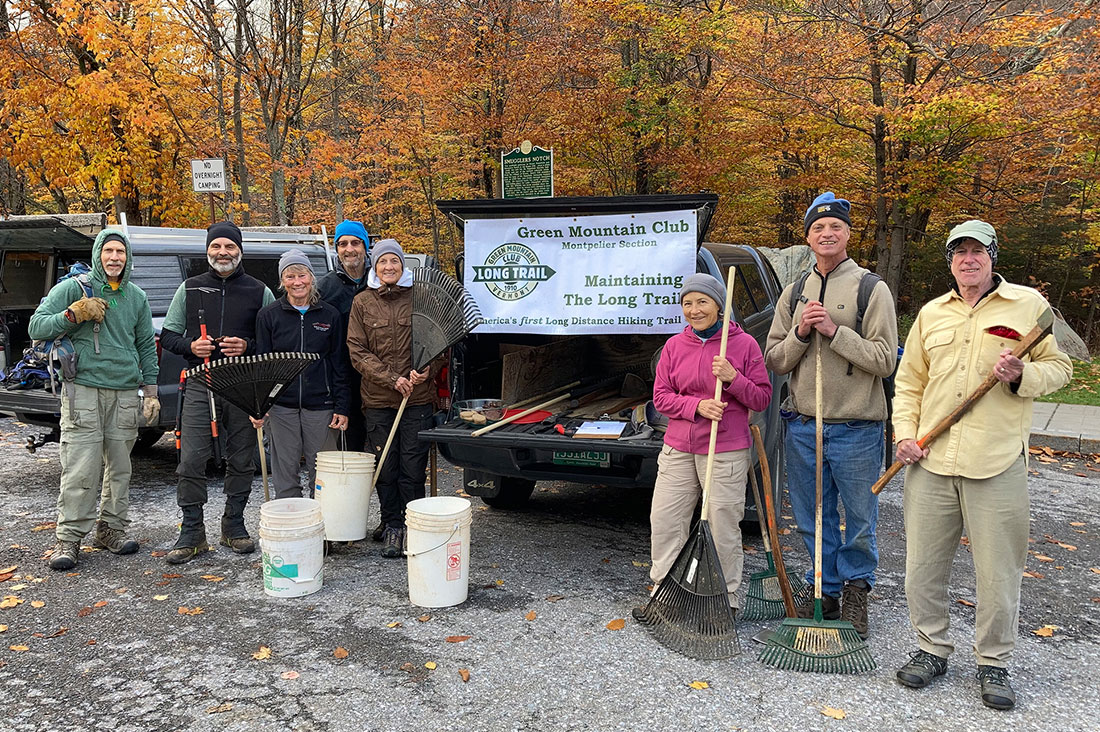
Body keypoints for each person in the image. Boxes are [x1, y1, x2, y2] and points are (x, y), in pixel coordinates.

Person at [891, 220, 1071, 710]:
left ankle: (993, 660)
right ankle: (931, 648)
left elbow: (1061, 368)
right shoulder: (931, 313)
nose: (968, 260)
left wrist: (1022, 374)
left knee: (998, 570)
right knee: (922, 566)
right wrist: (904, 435)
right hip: (930, 458)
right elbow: (909, 383)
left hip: (996, 459)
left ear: (993, 256)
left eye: (977, 251)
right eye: (959, 252)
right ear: (950, 261)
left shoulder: (1029, 307)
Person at [764, 192, 898, 639]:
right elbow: (777, 359)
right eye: (818, 228)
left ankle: (857, 592)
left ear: (847, 234)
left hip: (856, 426)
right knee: (810, 516)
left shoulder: (870, 288)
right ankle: (824, 589)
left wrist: (834, 332)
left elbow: (884, 360)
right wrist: (802, 331)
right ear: (807, 237)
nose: (827, 234)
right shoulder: (793, 291)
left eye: (835, 227)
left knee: (860, 518)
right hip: (804, 425)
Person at [632, 274, 772, 621]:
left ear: (719, 305)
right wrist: (696, 407)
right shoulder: (674, 347)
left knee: (723, 523)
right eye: (688, 303)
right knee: (666, 520)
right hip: (679, 445)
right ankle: (665, 592)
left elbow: (762, 397)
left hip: (724, 448)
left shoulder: (742, 346)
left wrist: (733, 379)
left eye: (702, 302)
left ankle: (726, 600)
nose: (694, 310)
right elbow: (661, 397)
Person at [30, 230, 159, 571]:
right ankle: (69, 539)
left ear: (127, 257)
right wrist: (73, 315)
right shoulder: (73, 288)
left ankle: (111, 530)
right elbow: (36, 326)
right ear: (98, 253)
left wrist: (151, 392)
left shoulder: (136, 297)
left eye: (120, 252)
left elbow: (146, 344)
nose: (115, 257)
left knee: (120, 468)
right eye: (108, 251)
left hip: (124, 391)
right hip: (83, 389)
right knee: (81, 467)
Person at [160, 221, 274, 565]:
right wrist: (192, 346)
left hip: (241, 384)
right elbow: (168, 337)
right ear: (208, 250)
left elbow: (271, 340)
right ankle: (192, 532)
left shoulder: (259, 291)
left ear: (240, 251)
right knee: (191, 458)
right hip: (200, 381)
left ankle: (234, 525)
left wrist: (248, 346)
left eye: (229, 247)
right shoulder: (190, 288)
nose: (222, 253)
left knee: (242, 458)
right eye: (216, 247)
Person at [346, 239, 435, 558]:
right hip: (379, 401)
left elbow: (437, 341)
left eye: (394, 262)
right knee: (386, 466)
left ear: (402, 265)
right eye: (383, 262)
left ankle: (413, 523)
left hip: (417, 399)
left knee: (412, 466)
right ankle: (392, 523)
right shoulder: (363, 302)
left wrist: (425, 369)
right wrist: (391, 378)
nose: (388, 267)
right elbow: (357, 351)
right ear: (375, 266)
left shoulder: (421, 298)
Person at [254, 249, 350, 499]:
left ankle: (326, 531)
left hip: (321, 405)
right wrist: (261, 404)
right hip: (281, 406)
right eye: (290, 276)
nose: (297, 282)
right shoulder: (269, 315)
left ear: (311, 277)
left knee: (323, 475)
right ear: (282, 281)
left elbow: (339, 364)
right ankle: (292, 529)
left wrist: (342, 406)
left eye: (302, 275)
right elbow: (262, 364)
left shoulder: (330, 315)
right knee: (285, 473)